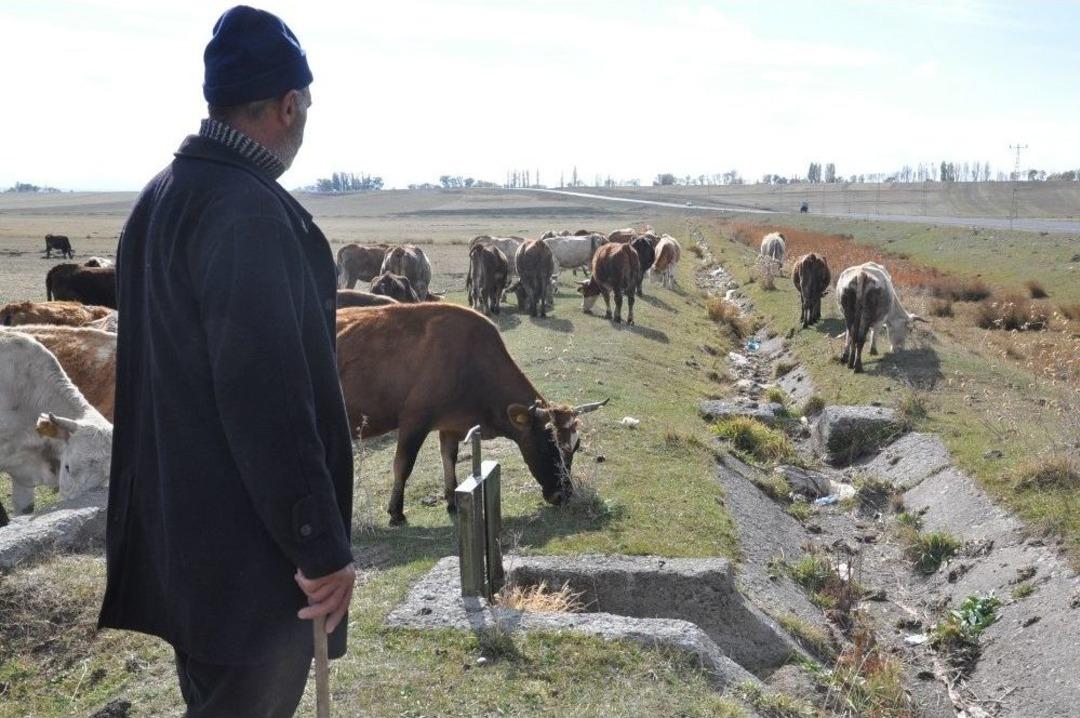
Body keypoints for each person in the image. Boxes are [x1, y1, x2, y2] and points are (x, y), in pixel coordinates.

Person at [98, 7, 355, 717]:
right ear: (288, 105)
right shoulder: (246, 214)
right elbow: (267, 401)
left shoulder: (163, 197)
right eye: (307, 108)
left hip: (187, 549)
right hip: (250, 570)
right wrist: (321, 549)